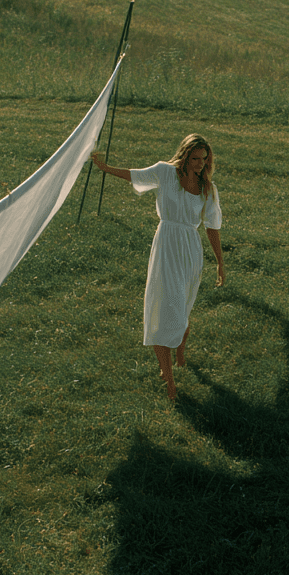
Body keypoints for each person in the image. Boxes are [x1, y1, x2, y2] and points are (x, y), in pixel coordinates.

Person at [91, 134, 224, 401]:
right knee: (166, 308)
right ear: (185, 155)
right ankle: (170, 382)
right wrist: (105, 168)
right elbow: (134, 175)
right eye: (195, 158)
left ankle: (179, 351)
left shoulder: (208, 188)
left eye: (204, 159)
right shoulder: (165, 172)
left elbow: (212, 226)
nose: (199, 164)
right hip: (166, 245)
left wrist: (220, 262)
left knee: (183, 309)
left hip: (190, 250)